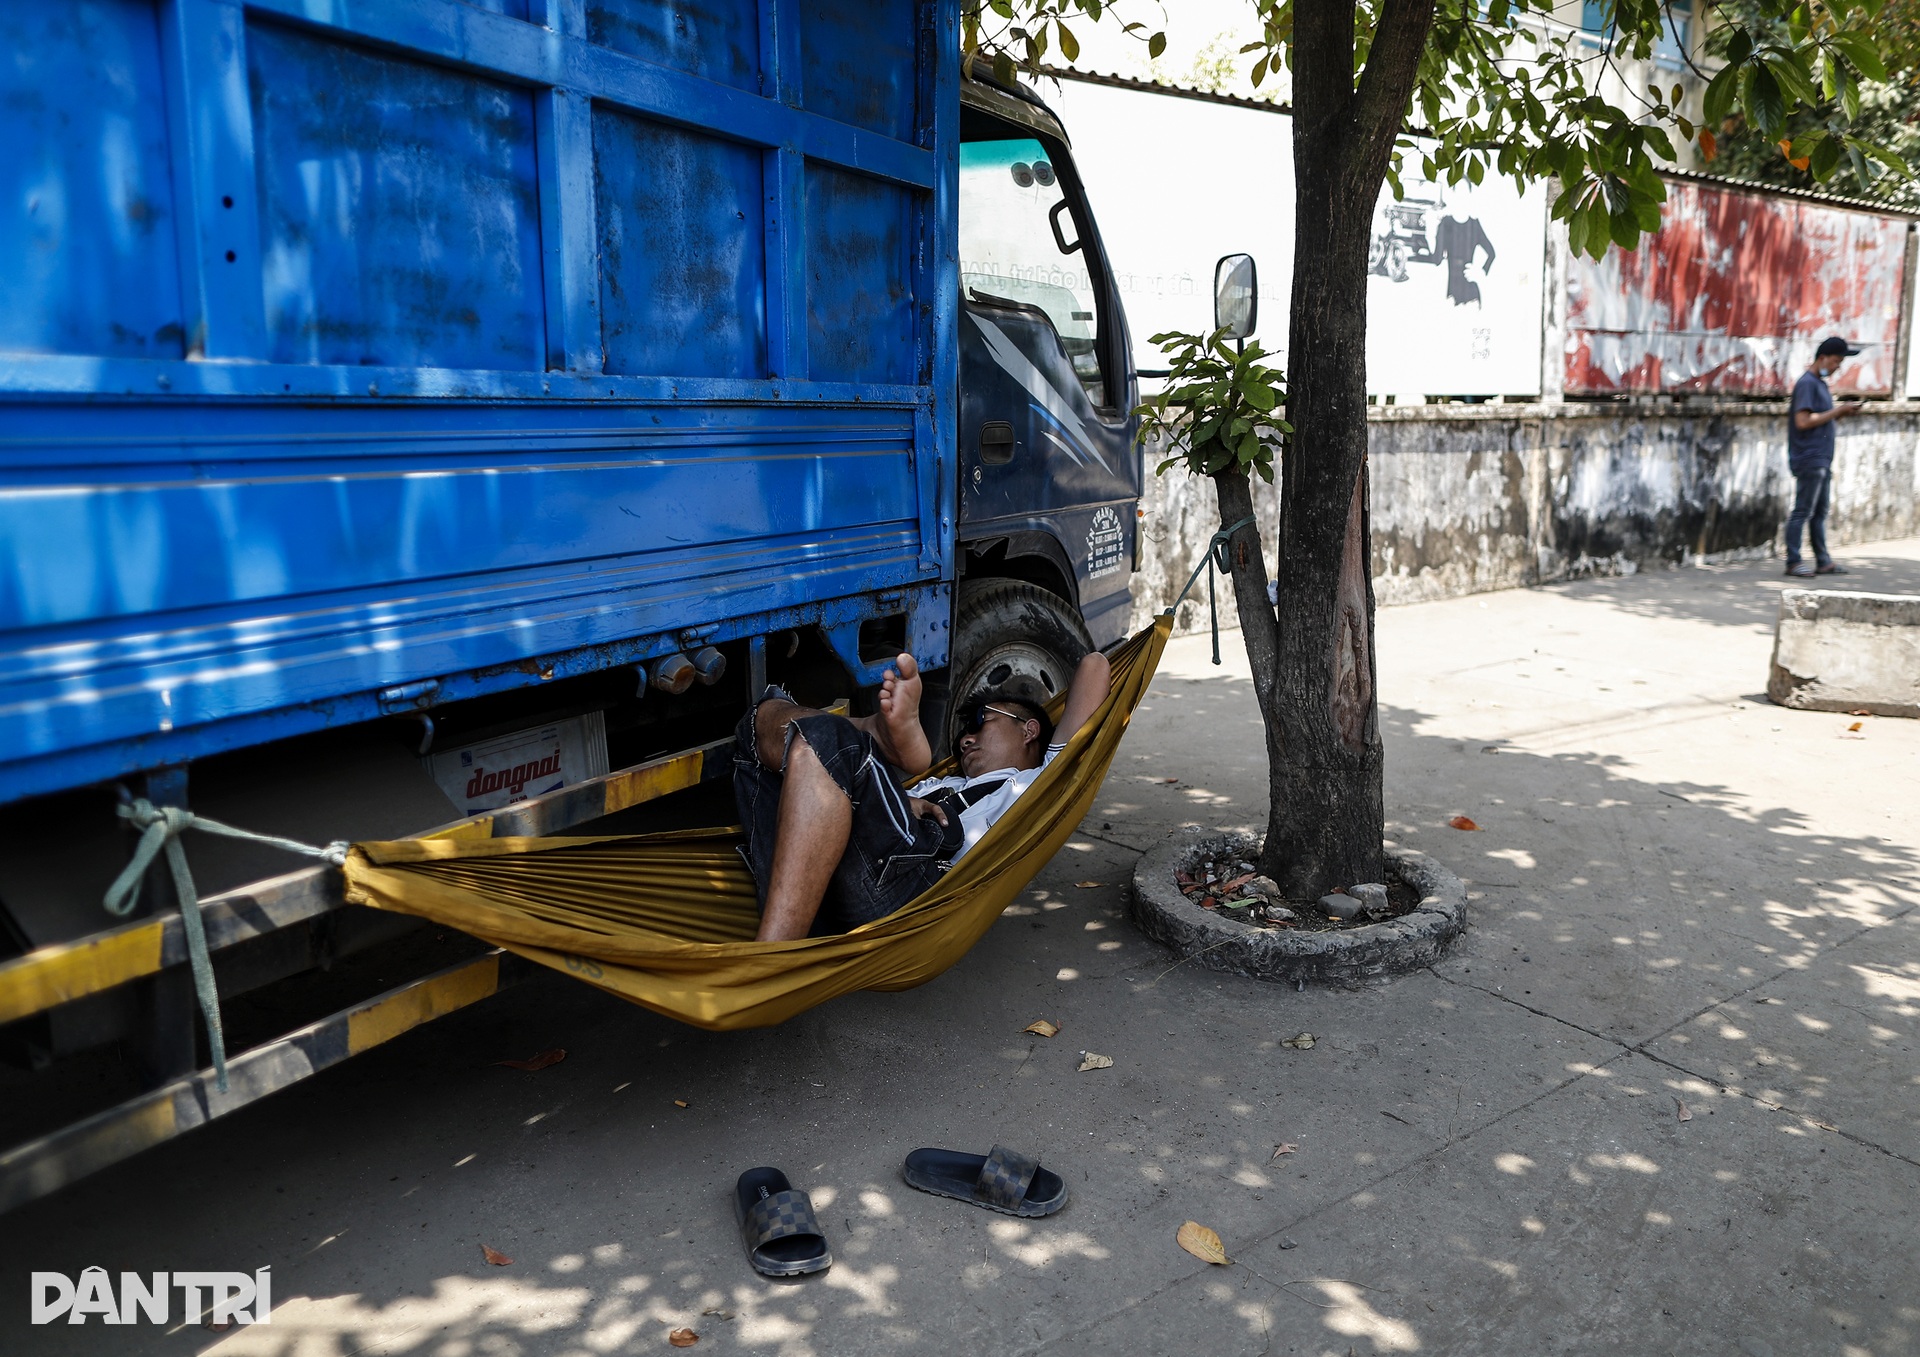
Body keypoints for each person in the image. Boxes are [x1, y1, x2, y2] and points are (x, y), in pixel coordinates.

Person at [732, 648, 1112, 942]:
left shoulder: (1038, 782)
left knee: (838, 747)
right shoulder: (936, 784)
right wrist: (901, 800)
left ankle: (770, 958)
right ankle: (872, 732)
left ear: (1029, 731)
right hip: (822, 877)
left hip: (914, 887)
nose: (966, 738)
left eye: (981, 721)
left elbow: (1094, 666)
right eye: (966, 731)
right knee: (762, 715)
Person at [1784, 335, 1863, 578]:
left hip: (1821, 457)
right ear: (1823, 358)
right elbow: (1803, 420)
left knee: (1819, 513)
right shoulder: (1807, 383)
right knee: (1803, 511)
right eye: (1837, 361)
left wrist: (1841, 412)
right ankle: (1793, 561)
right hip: (1809, 457)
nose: (1838, 366)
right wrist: (1838, 410)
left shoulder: (1819, 384)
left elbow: (1819, 418)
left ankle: (1823, 560)